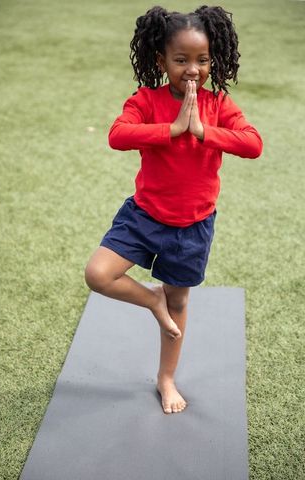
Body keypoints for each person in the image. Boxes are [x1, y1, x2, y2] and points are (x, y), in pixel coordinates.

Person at [85, 5, 263, 414]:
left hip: (192, 227)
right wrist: (174, 129)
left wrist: (204, 131)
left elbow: (253, 144)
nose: (193, 69)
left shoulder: (219, 105)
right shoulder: (146, 100)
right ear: (160, 60)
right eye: (181, 60)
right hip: (143, 217)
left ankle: (166, 378)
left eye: (201, 60)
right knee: (98, 274)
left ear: (212, 60)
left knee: (178, 304)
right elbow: (117, 135)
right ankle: (151, 300)